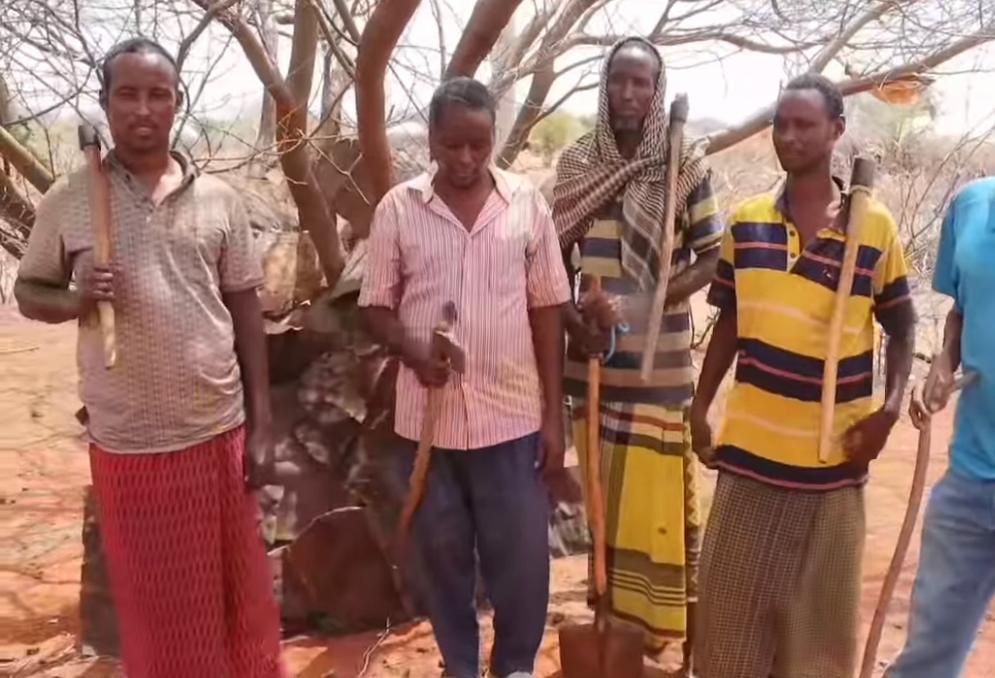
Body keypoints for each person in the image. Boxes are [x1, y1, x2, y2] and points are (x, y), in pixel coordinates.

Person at [14, 38, 283, 677]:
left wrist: (264, 425)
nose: (143, 109)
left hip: (218, 430)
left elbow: (246, 310)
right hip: (130, 445)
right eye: (127, 94)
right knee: (160, 614)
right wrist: (77, 299)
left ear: (176, 103)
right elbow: (28, 291)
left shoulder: (219, 199)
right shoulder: (71, 199)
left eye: (157, 94)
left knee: (236, 601)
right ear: (106, 105)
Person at [690, 73, 916, 678]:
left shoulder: (874, 229)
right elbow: (732, 322)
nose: (788, 137)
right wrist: (700, 403)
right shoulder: (747, 222)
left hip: (832, 472)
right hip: (749, 463)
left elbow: (902, 326)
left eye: (804, 125)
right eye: (780, 125)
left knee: (816, 654)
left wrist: (890, 410)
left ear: (836, 132)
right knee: (727, 644)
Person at [359, 77, 570, 678]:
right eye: (452, 145)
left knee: (522, 563)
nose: (466, 159)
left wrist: (553, 418)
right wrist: (411, 347)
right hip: (431, 431)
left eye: (479, 145)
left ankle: (515, 668)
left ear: (493, 139)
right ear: (431, 139)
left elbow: (548, 309)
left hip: (513, 420)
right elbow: (374, 307)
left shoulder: (526, 204)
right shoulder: (398, 208)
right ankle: (459, 663)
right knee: (444, 560)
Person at [552, 36, 723, 673]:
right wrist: (575, 322)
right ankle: (611, 628)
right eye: (619, 81)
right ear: (606, 87)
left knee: (662, 515)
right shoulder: (575, 164)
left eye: (641, 83)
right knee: (604, 509)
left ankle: (666, 640)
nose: (629, 94)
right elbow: (548, 260)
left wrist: (644, 300)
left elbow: (710, 258)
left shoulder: (687, 166)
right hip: (592, 366)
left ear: (657, 90)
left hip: (660, 369)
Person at [885, 178, 995, 678]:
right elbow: (963, 306)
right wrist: (945, 358)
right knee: (927, 660)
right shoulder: (972, 204)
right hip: (972, 480)